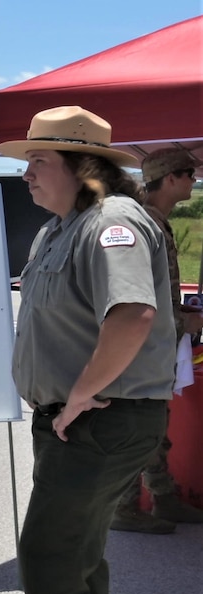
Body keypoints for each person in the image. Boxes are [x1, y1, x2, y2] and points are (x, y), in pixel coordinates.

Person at [0, 106, 176, 594]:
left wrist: (76, 396)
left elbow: (132, 315)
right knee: (80, 558)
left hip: (102, 420)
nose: (25, 173)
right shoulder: (60, 230)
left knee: (47, 556)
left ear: (84, 167)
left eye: (39, 161)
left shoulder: (114, 223)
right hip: (74, 423)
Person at [110, 147, 203, 533]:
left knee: (156, 424)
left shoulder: (154, 221)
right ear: (169, 179)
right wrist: (183, 319)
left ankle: (163, 500)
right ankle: (125, 508)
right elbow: (140, 294)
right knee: (141, 426)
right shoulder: (144, 225)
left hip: (155, 343)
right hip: (143, 346)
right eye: (188, 173)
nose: (194, 180)